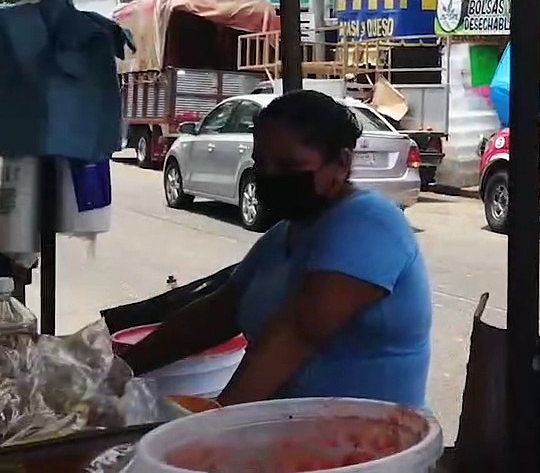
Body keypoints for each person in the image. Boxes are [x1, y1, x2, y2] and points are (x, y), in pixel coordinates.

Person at [122, 90, 432, 408]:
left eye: (288, 165)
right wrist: (118, 371)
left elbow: (296, 334)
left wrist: (215, 421)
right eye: (262, 164)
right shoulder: (283, 236)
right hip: (289, 432)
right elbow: (213, 315)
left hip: (371, 444)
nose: (270, 177)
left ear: (341, 163)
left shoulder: (370, 224)